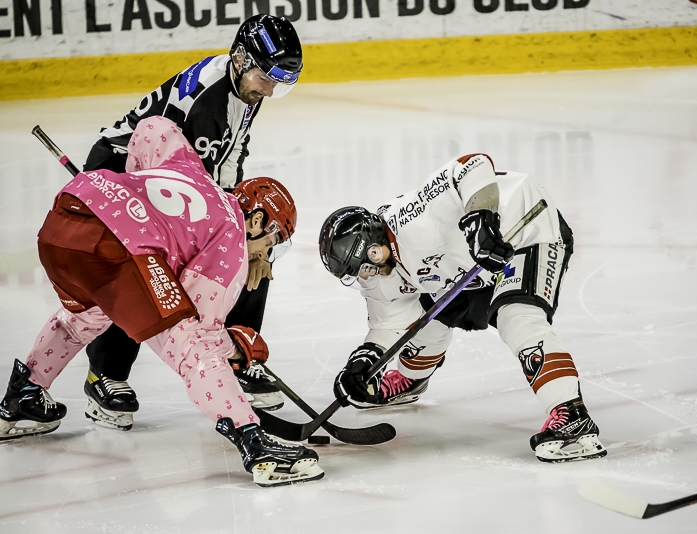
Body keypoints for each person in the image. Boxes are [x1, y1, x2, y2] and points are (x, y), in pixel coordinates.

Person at [0, 117, 323, 487]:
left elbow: (153, 128)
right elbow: (198, 333)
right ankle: (256, 445)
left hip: (64, 222)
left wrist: (137, 197)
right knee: (195, 350)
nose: (265, 255)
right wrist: (235, 348)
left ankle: (22, 396)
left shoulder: (190, 169)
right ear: (257, 220)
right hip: (114, 247)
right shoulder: (231, 234)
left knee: (86, 315)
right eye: (273, 243)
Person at [80, 14, 303, 430]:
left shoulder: (243, 86)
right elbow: (189, 186)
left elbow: (229, 158)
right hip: (124, 178)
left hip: (170, 182)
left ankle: (235, 357)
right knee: (140, 275)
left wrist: (244, 235)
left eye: (279, 82)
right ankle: (104, 375)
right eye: (266, 77)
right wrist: (232, 235)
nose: (269, 90)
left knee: (255, 254)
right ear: (240, 58)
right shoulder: (207, 101)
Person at [318, 153, 607, 463]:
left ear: (373, 248)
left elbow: (473, 163)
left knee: (517, 318)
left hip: (525, 231)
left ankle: (572, 414)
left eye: (363, 268)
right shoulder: (379, 270)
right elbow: (390, 322)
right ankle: (411, 380)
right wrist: (363, 364)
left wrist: (481, 220)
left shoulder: (412, 218)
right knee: (423, 317)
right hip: (471, 266)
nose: (366, 278)